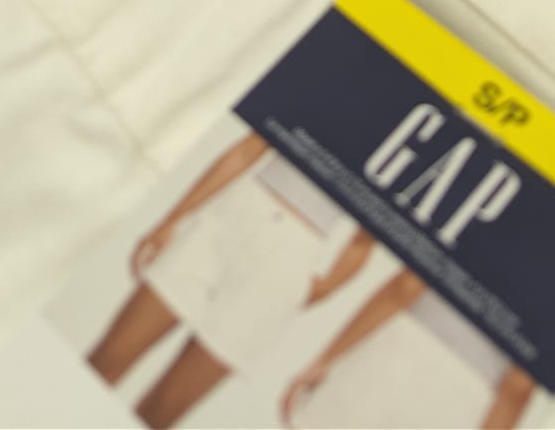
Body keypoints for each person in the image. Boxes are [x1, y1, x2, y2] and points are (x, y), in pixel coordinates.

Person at [86, 133, 372, 428]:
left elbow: (367, 236)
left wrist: (319, 287)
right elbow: (250, 147)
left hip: (291, 258)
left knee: (159, 412)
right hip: (234, 216)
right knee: (105, 361)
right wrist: (172, 219)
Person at [283, 269, 535, 429]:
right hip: (460, 399)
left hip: (396, 351)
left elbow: (407, 285)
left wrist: (325, 360)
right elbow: (519, 385)